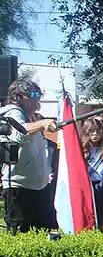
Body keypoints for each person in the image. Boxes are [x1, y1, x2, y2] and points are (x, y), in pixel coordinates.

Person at [0, 79, 58, 233]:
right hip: (19, 188)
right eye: (32, 94)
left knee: (48, 233)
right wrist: (42, 124)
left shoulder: (32, 116)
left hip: (39, 187)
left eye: (39, 94)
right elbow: (19, 133)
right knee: (22, 234)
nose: (37, 98)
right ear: (19, 97)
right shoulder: (13, 112)